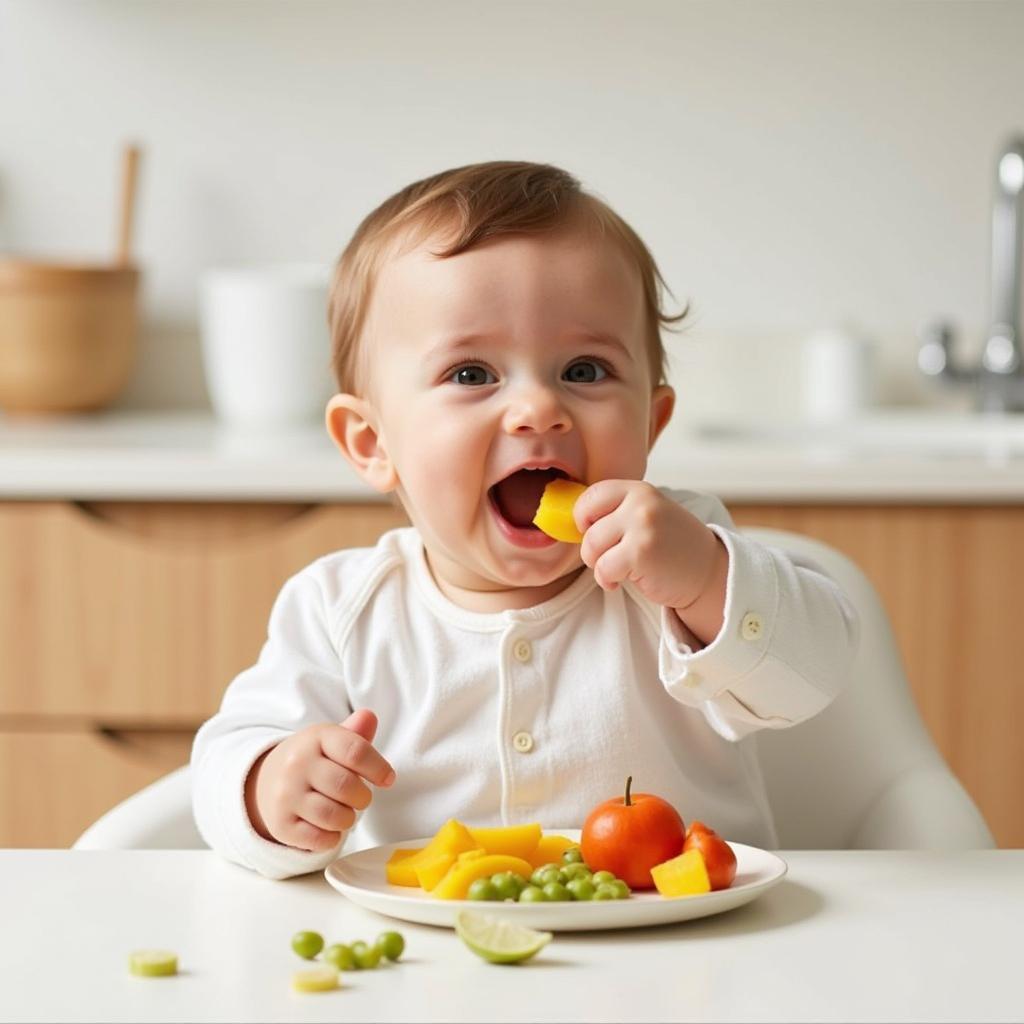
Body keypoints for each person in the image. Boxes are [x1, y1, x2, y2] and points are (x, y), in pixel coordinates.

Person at [191, 160, 859, 880]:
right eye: (472, 374)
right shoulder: (340, 610)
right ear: (373, 444)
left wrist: (705, 578)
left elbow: (813, 676)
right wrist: (269, 787)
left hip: (683, 953)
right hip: (436, 966)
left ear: (651, 423)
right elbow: (225, 758)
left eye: (584, 370)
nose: (540, 407)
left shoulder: (681, 561)